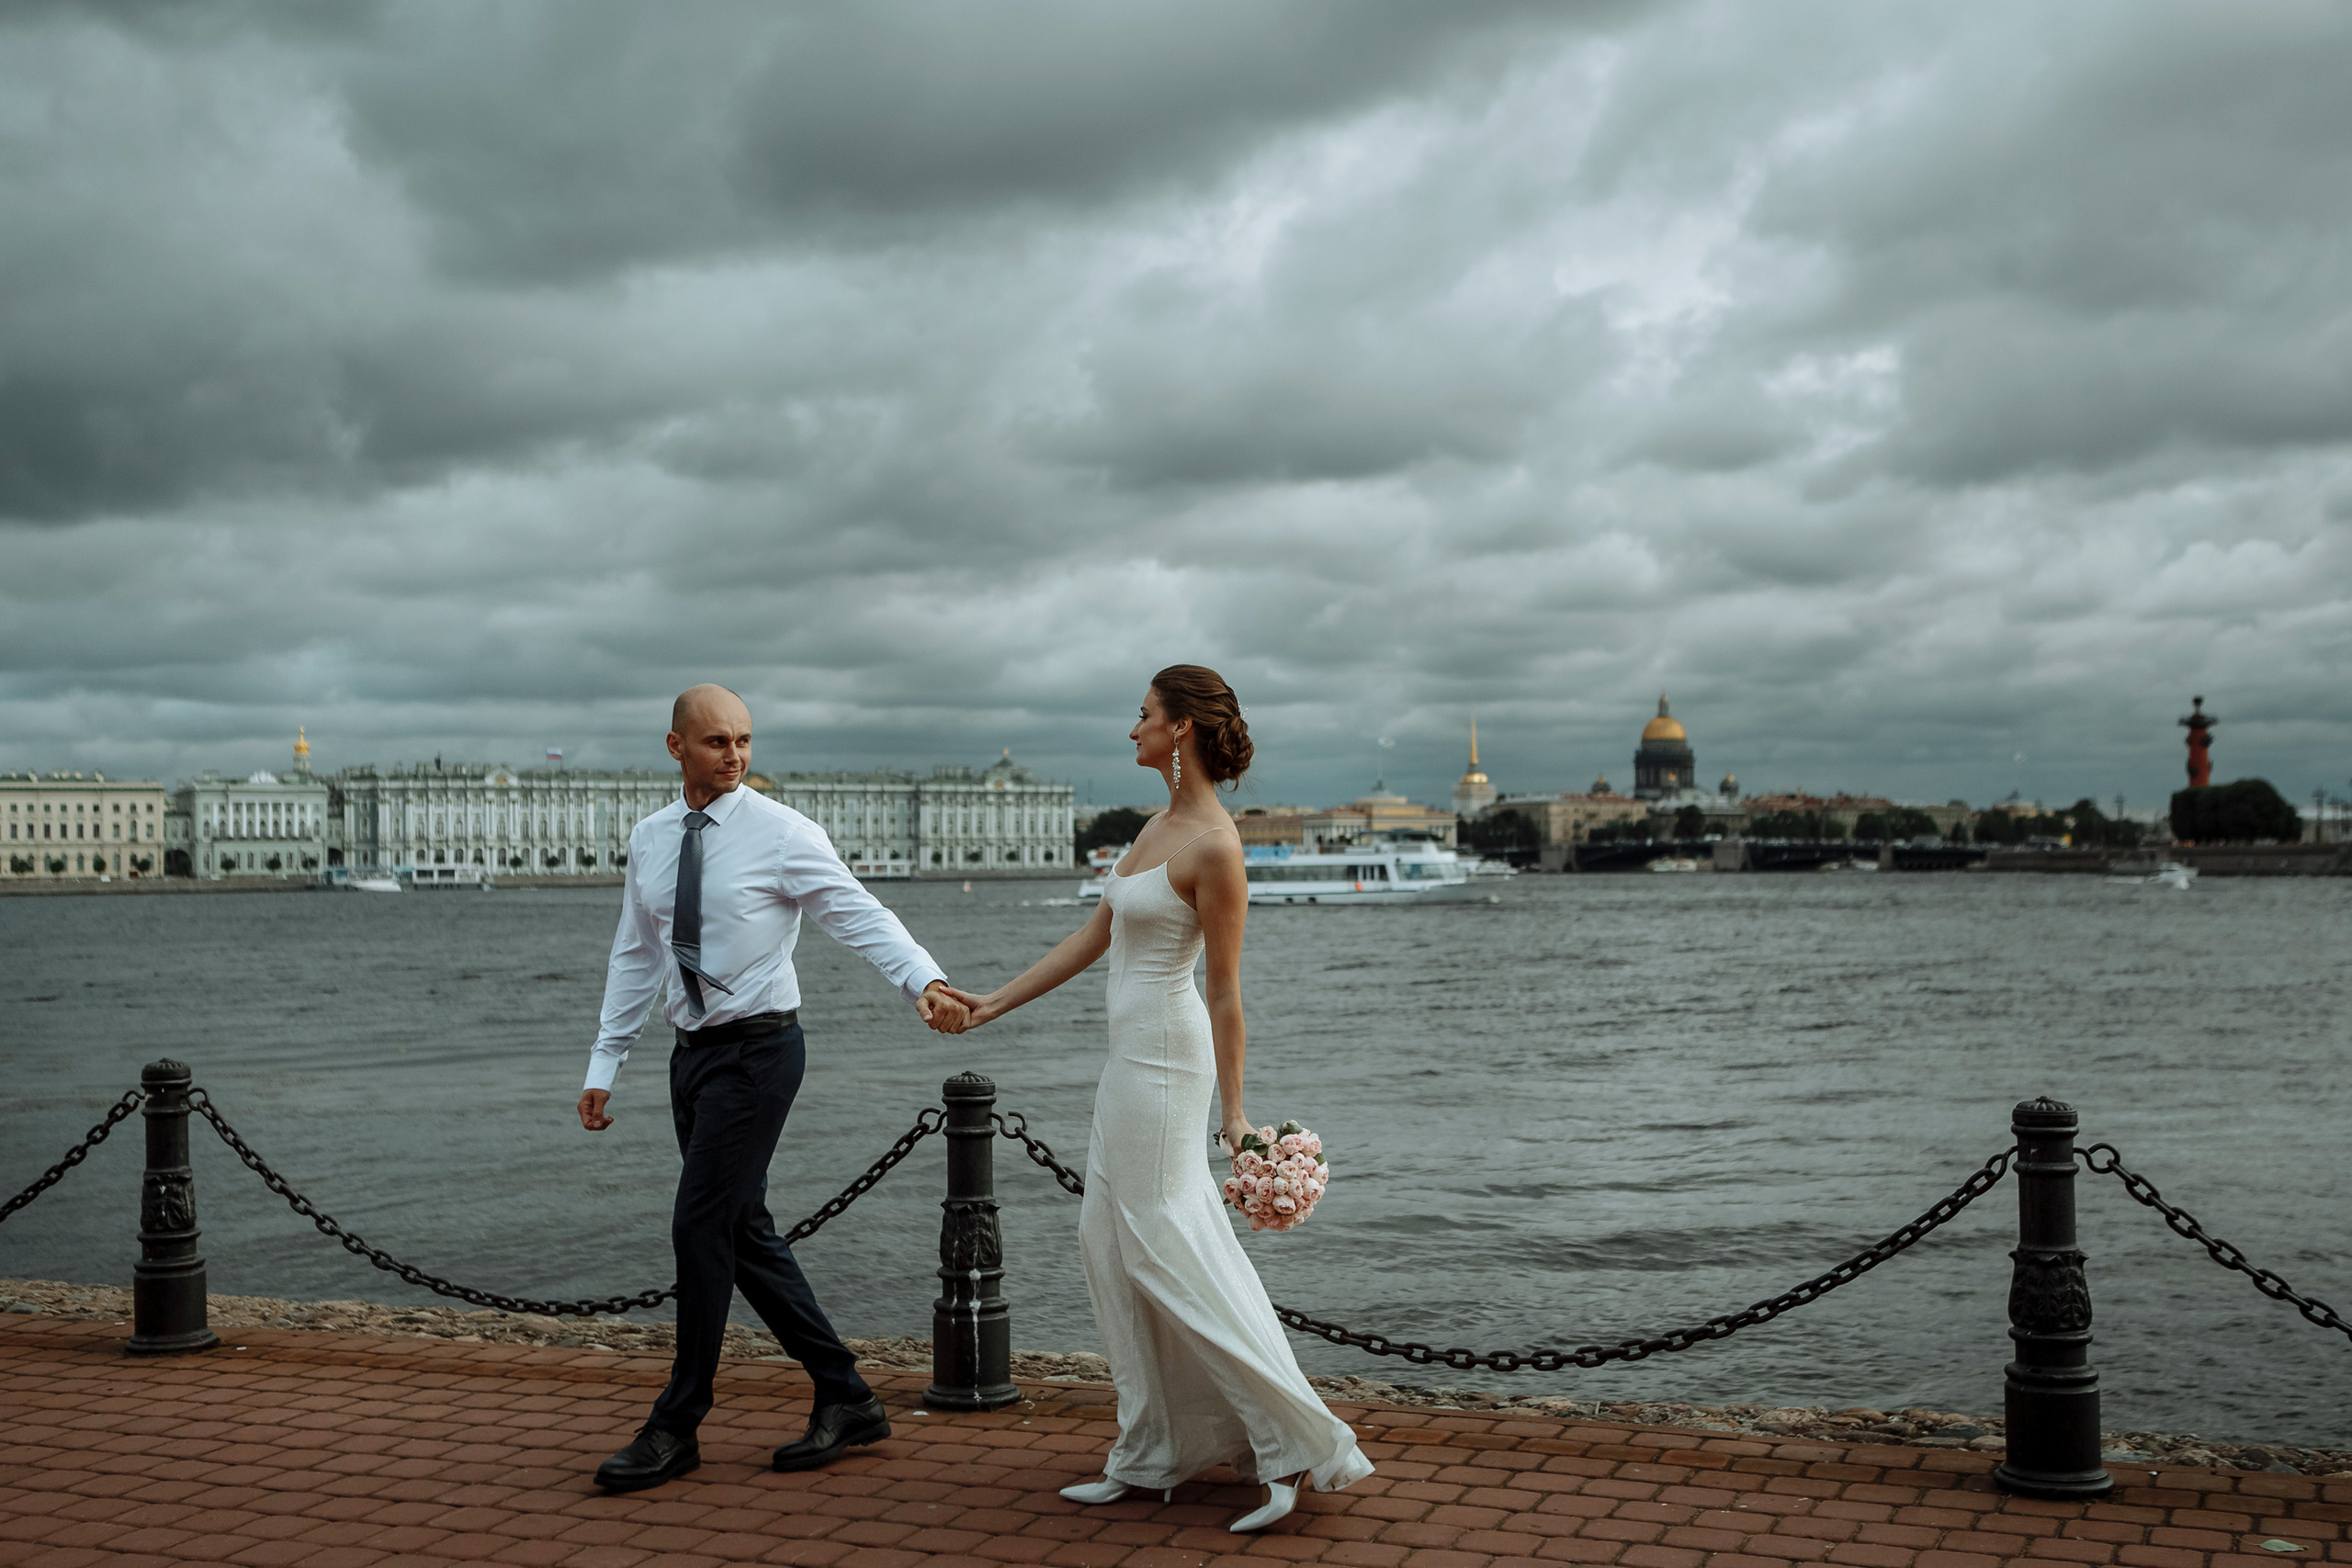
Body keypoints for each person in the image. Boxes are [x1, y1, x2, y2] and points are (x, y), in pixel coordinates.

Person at [944, 665, 1373, 1534]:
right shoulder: (1150, 829)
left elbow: (1225, 992)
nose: (1129, 729)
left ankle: (1286, 1443)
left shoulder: (1215, 843)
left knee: (1164, 1246)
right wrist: (989, 1002)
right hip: (1126, 1062)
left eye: (1141, 715)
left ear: (1179, 730)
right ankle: (1152, 1451)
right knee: (1106, 1240)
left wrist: (1237, 1115)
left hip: (1172, 1065)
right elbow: (1091, 938)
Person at [579, 683, 970, 1493]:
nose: (736, 755)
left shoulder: (783, 833)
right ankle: (847, 1393)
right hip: (691, 1056)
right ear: (676, 746)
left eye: (746, 740)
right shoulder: (652, 838)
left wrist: (922, 981)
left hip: (760, 1054)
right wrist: (604, 1063)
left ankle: (676, 1423)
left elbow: (856, 912)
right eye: (718, 741)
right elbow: (636, 953)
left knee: (698, 1225)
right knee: (741, 1227)